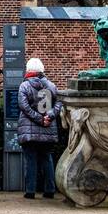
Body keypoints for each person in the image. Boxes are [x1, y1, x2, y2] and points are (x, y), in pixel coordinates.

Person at [18, 56, 62, 199]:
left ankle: (30, 191)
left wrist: (39, 119)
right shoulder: (51, 85)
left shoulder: (24, 86)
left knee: (30, 160)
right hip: (48, 129)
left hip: (30, 130)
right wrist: (49, 116)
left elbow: (24, 107)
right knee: (47, 159)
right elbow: (59, 103)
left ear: (28, 70)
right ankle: (49, 189)